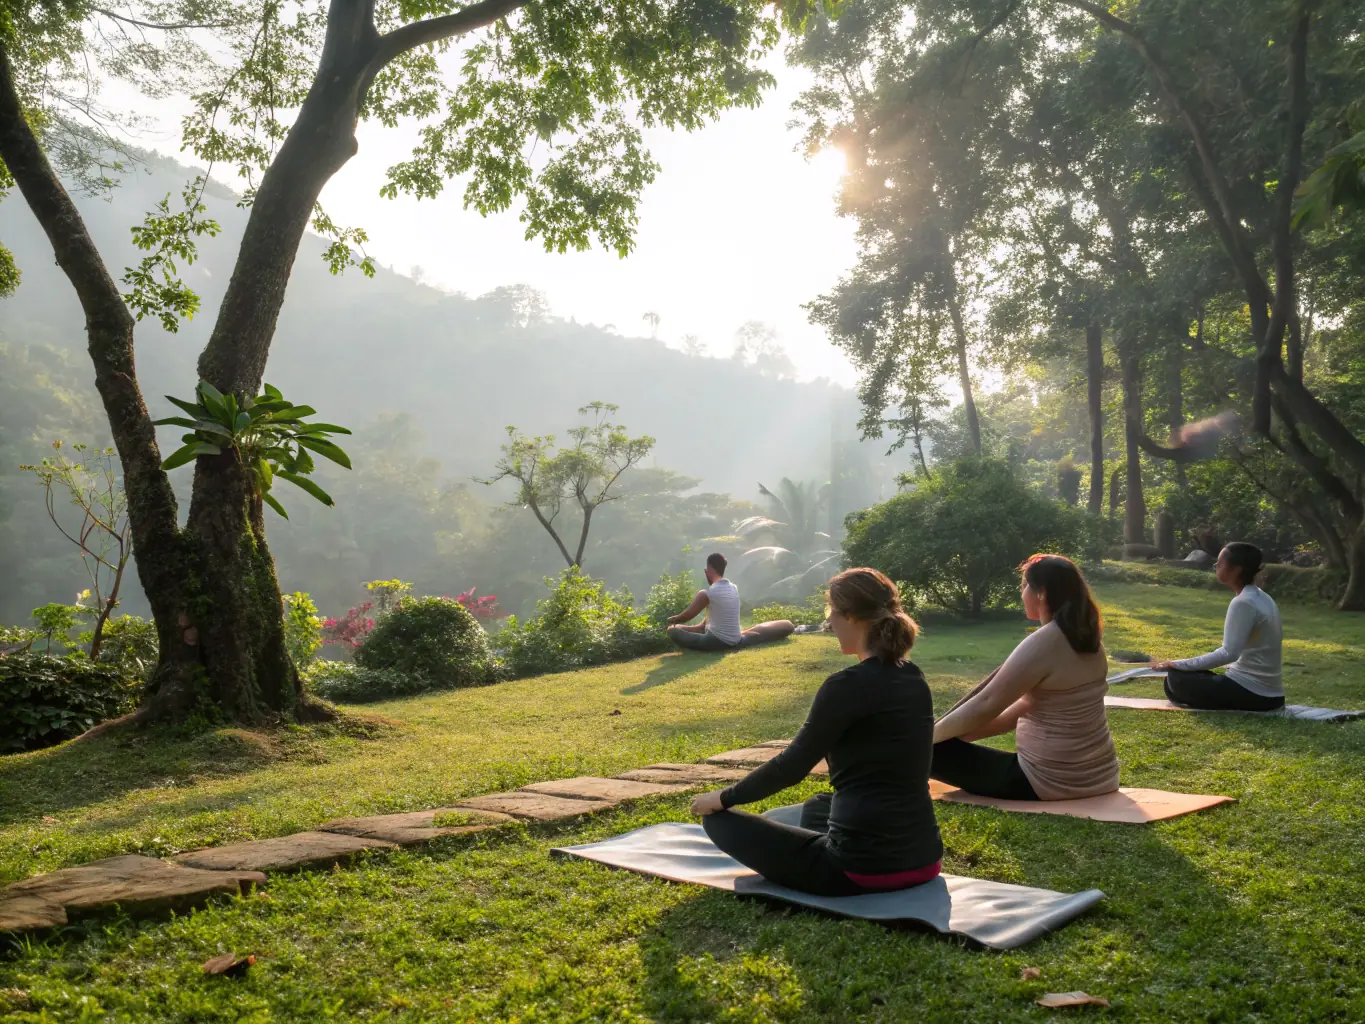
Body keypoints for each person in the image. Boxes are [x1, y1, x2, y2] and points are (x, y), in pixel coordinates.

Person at [688, 567, 943, 896]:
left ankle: (815, 847)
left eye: (832, 613)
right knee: (820, 805)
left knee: (719, 822)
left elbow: (791, 766)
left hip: (857, 869)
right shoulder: (913, 677)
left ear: (851, 617)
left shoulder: (843, 687)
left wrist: (722, 798)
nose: (830, 623)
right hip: (925, 859)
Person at [930, 554, 1119, 802]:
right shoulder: (1086, 638)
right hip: (1099, 778)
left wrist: (924, 741)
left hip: (1047, 782)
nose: (1021, 594)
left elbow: (985, 703)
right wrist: (958, 736)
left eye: (1023, 586)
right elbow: (1024, 708)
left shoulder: (1046, 642)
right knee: (934, 744)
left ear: (1041, 593)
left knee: (927, 753)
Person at [1149, 542, 1284, 711]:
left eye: (1220, 563)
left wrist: (1178, 664)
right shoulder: (1261, 597)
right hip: (1269, 695)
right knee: (1175, 679)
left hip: (1256, 694)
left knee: (1176, 678)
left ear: (1236, 570)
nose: (1215, 565)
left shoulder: (1243, 602)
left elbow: (1229, 653)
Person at [667, 553, 795, 652]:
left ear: (708, 570)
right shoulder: (733, 587)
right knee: (692, 627)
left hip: (716, 641)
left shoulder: (706, 593)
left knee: (673, 631)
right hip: (736, 640)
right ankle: (702, 628)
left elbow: (685, 617)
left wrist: (673, 619)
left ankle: (701, 631)